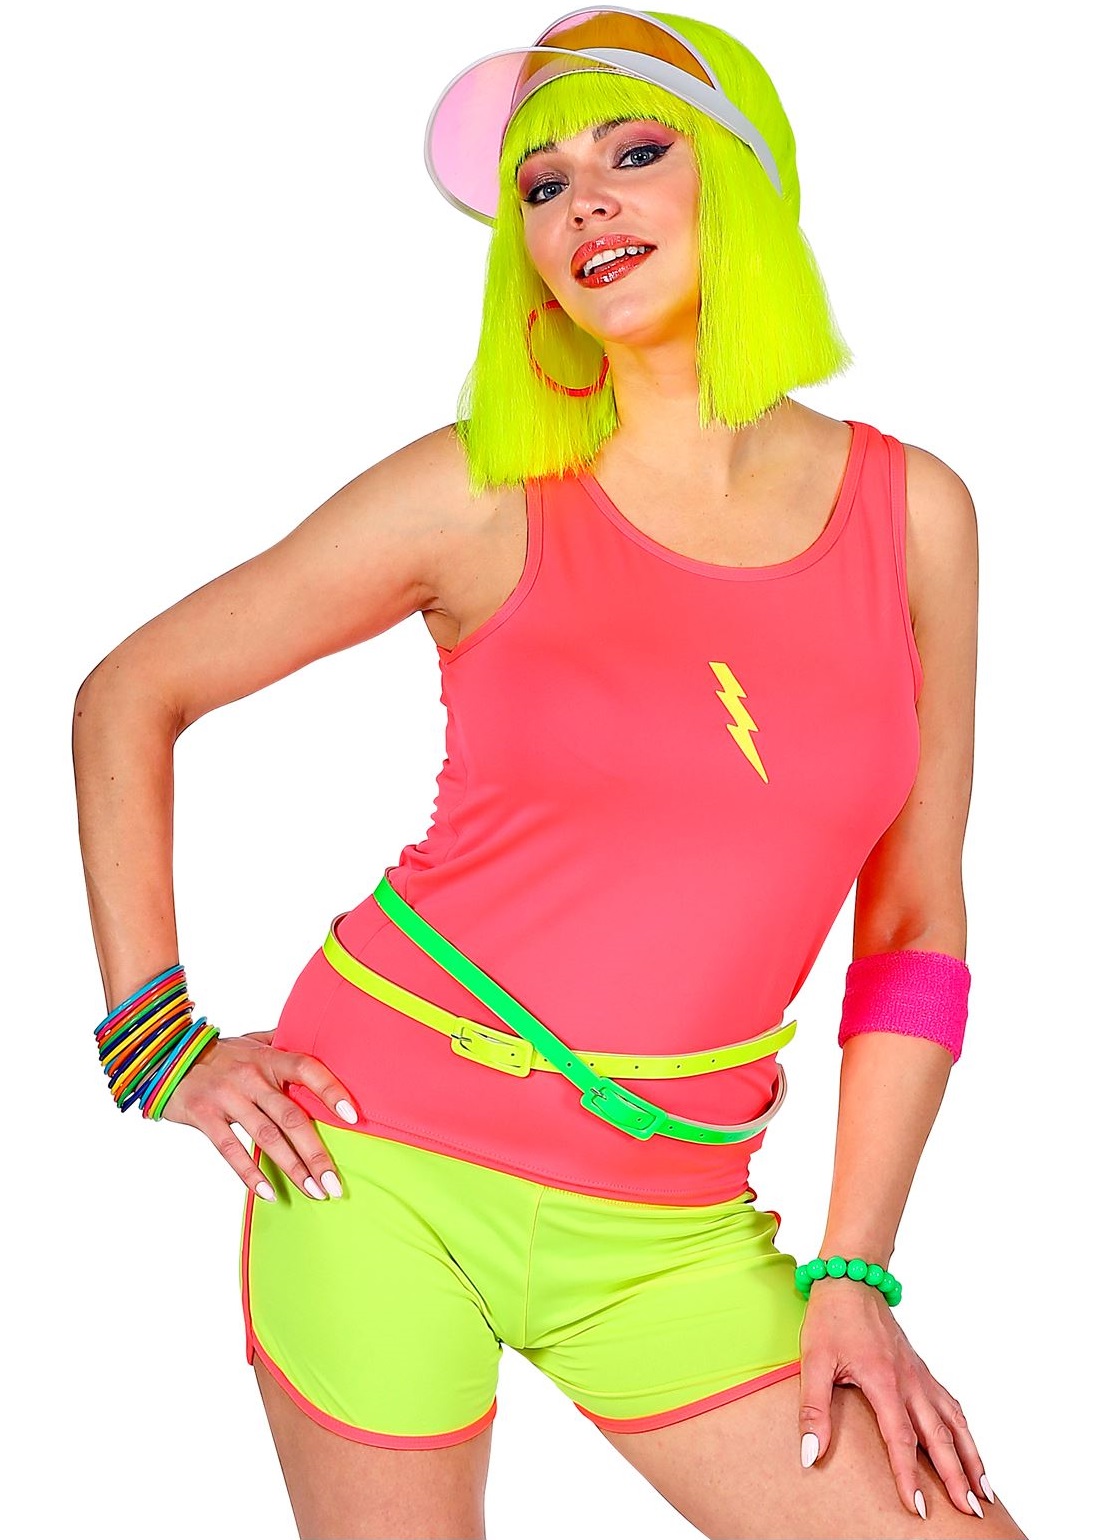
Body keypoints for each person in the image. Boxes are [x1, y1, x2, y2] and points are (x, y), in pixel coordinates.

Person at [72, 8, 1030, 1539]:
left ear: (743, 179)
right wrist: (157, 1046)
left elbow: (916, 923)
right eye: (542, 184)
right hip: (377, 1159)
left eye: (635, 153)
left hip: (673, 1225)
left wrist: (853, 1267)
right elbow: (133, 691)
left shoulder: (915, 516)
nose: (584, 202)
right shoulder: (478, 491)